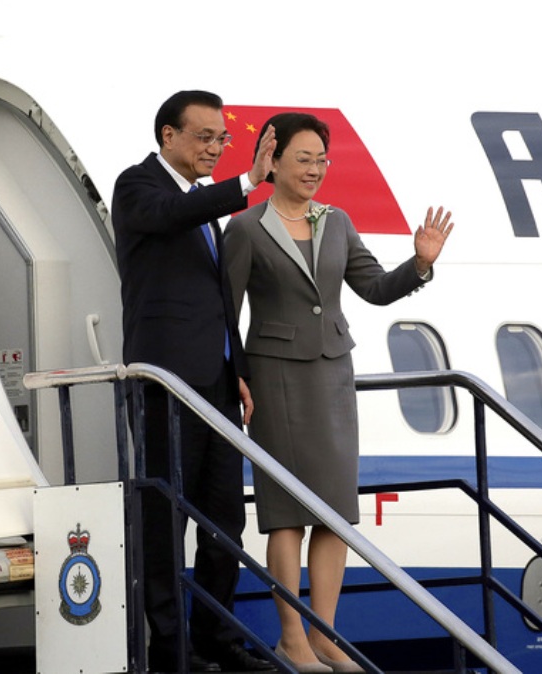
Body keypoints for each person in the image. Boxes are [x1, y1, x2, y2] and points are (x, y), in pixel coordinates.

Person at [223, 112, 454, 673]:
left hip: (332, 375)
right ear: (271, 160)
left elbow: (373, 288)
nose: (314, 170)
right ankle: (292, 638)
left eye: (321, 160)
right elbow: (226, 311)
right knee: (286, 514)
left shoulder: (338, 221)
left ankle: (326, 635)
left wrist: (419, 264)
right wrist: (234, 373)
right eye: (303, 159)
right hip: (275, 377)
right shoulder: (247, 228)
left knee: (335, 512)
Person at [111, 90, 277, 673]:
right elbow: (166, 217)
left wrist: (241, 371)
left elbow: (218, 297)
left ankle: (216, 640)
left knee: (223, 518)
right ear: (168, 137)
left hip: (217, 384)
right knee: (166, 519)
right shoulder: (139, 188)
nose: (215, 148)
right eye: (204, 137)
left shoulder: (203, 202)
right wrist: (244, 183)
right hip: (166, 384)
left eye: (221, 139)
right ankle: (168, 649)